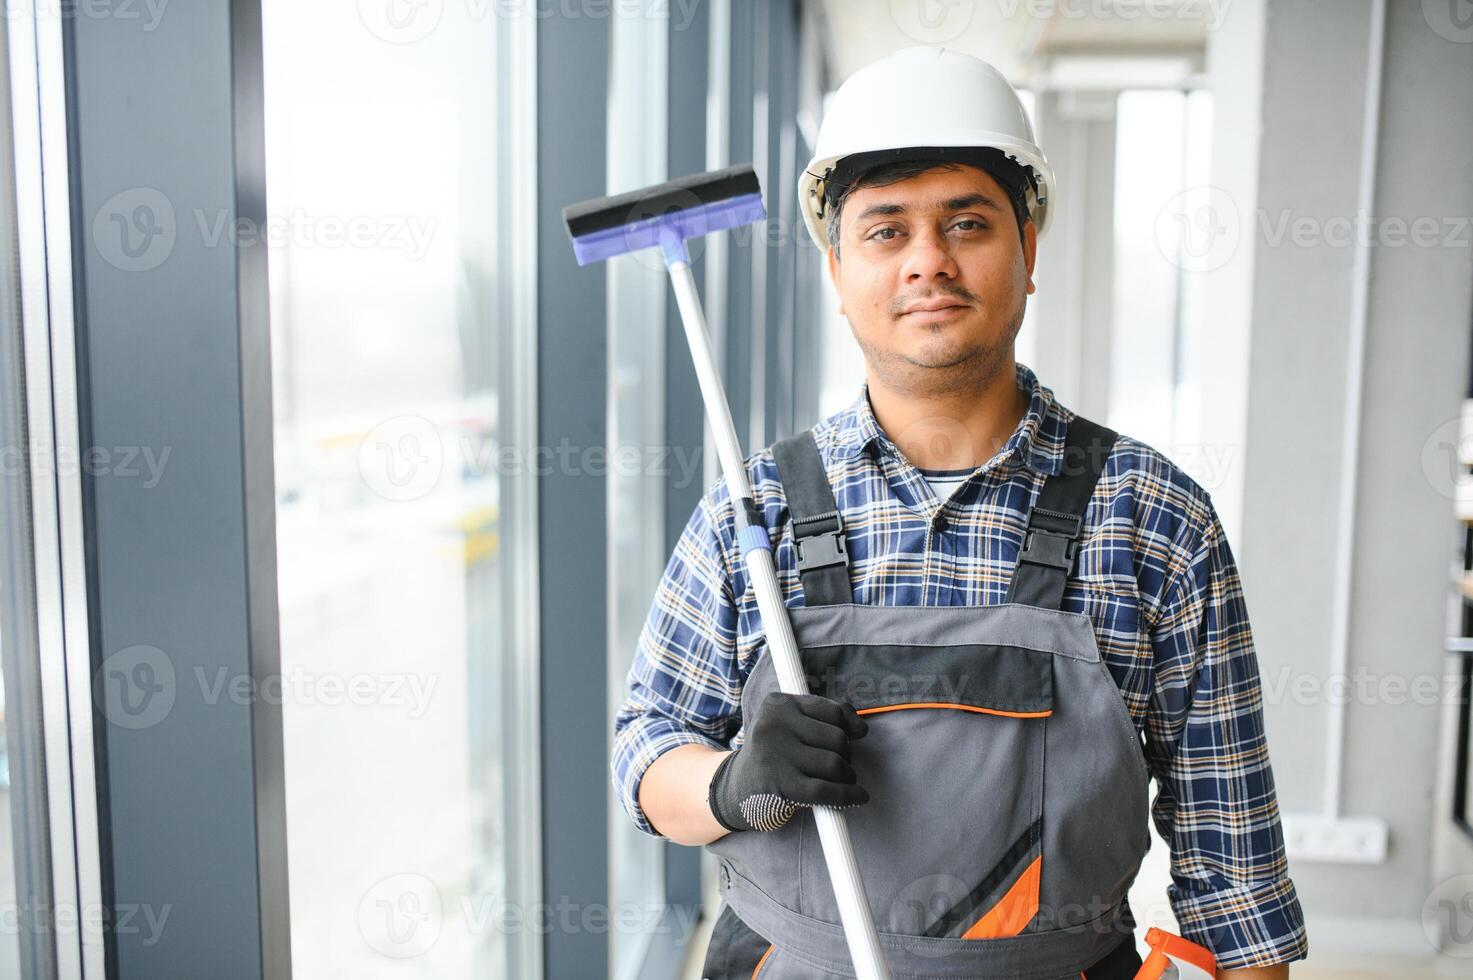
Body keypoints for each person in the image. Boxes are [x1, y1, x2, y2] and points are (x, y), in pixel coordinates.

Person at [612, 46, 1308, 980]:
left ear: (1029, 249)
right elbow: (645, 759)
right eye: (885, 231)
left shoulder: (1151, 516)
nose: (928, 262)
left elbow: (1234, 872)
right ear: (836, 268)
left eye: (967, 223)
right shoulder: (755, 513)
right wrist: (731, 784)